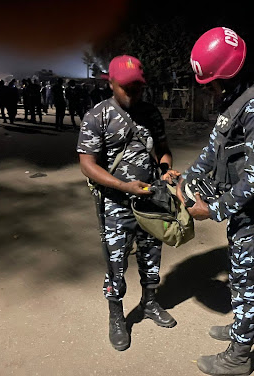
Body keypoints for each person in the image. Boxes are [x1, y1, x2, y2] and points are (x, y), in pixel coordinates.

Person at [177, 27, 254, 376]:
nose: (208, 88)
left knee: (246, 278)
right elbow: (213, 152)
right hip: (245, 210)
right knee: (242, 274)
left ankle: (239, 356)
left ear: (229, 74)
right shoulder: (235, 103)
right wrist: (187, 178)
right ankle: (244, 325)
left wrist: (211, 209)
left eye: (211, 82)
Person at [77, 55, 180, 351]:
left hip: (151, 200)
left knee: (152, 255)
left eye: (138, 87)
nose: (133, 93)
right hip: (115, 204)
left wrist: (165, 170)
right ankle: (116, 316)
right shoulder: (97, 116)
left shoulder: (151, 113)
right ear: (111, 83)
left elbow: (163, 149)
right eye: (126, 87)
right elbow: (87, 164)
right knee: (115, 263)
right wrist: (123, 185)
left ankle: (149, 303)